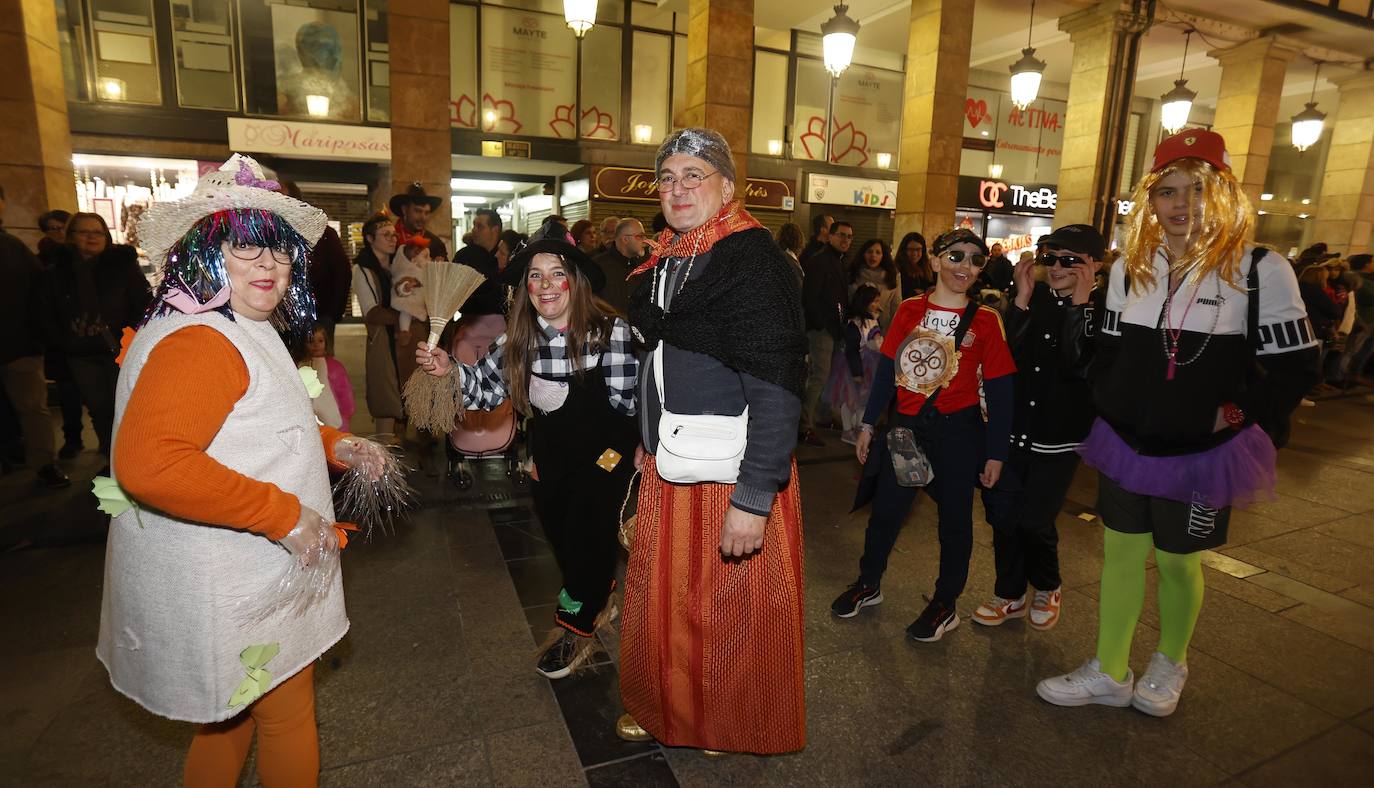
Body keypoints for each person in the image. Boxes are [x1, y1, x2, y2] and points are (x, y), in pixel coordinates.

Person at [99, 154, 388, 786]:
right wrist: (281, 515)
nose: (269, 266)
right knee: (283, 718)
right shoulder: (202, 340)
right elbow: (150, 465)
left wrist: (336, 445)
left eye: (279, 252)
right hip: (237, 580)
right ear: (204, 253)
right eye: (245, 248)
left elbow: (254, 424)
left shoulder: (222, 322)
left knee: (229, 718)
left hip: (234, 577)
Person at [1036, 130, 1317, 717]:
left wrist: (1238, 413)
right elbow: (1106, 356)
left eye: (1197, 188)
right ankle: (1110, 670)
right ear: (1151, 200)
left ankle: (1171, 661)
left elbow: (1295, 368)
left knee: (1176, 560)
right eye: (1167, 191)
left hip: (1203, 451)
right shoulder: (1130, 268)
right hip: (1125, 443)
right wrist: (1109, 393)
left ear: (1224, 193)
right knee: (1118, 553)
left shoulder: (1261, 269)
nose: (1181, 204)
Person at [616, 128, 807, 755]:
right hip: (673, 458)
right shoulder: (670, 255)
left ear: (728, 187)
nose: (677, 188)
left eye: (693, 175)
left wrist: (754, 500)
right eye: (667, 177)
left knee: (722, 612)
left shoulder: (750, 259)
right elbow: (658, 359)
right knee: (663, 600)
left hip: (731, 474)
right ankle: (666, 707)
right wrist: (647, 438)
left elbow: (778, 386)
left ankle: (722, 722)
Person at [416, 217, 638, 679]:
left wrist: (645, 447)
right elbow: (483, 390)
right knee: (562, 540)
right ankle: (605, 596)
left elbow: (642, 401)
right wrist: (448, 370)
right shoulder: (517, 341)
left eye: (557, 272)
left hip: (606, 464)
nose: (546, 284)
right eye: (535, 275)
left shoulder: (613, 334)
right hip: (550, 464)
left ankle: (576, 628)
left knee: (588, 542)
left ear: (574, 281)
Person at [832, 228, 1014, 643]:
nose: (964, 266)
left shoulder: (986, 321)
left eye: (974, 259)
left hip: (958, 433)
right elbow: (887, 371)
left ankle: (945, 603)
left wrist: (996, 452)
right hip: (906, 432)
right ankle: (868, 582)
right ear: (935, 262)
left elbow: (1002, 389)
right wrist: (866, 423)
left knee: (954, 521)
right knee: (887, 513)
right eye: (955, 257)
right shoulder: (910, 310)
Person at [972, 225, 1105, 631]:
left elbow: (1079, 365)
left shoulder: (1106, 309)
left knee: (1034, 519)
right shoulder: (1036, 298)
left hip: (1059, 436)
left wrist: (1080, 305)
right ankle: (1009, 594)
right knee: (1002, 515)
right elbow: (1004, 359)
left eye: (1071, 260)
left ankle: (1047, 585)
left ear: (1095, 265)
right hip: (1014, 429)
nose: (1058, 267)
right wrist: (1023, 302)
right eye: (1050, 258)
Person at [46, 212, 151, 458]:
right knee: (99, 408)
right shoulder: (57, 271)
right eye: (84, 232)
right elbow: (47, 310)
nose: (92, 237)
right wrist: (64, 340)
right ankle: (111, 457)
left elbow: (142, 303)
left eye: (97, 232)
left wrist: (131, 336)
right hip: (80, 352)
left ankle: (135, 457)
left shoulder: (121, 265)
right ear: (70, 236)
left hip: (121, 349)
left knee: (128, 406)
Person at [0, 186, 68, 488]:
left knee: (32, 408)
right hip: (21, 344)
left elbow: (39, 296)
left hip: (18, 346)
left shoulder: (12, 247)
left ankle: (44, 464)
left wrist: (38, 340)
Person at [800, 220, 853, 446]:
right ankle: (804, 425)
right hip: (822, 330)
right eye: (841, 235)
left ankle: (820, 417)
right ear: (830, 236)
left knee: (826, 376)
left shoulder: (838, 261)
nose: (845, 240)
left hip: (833, 329)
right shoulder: (820, 261)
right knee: (818, 376)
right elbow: (810, 297)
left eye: (849, 237)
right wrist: (821, 324)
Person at [351, 213, 404, 438]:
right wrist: (406, 315)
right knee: (386, 398)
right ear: (370, 239)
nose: (392, 239)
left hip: (401, 340)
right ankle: (385, 454)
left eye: (394, 235)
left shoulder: (398, 265)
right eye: (386, 235)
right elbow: (372, 313)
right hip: (382, 340)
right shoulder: (362, 269)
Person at [283, 183, 350, 341]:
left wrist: (331, 315)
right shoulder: (270, 234)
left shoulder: (323, 233)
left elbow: (343, 273)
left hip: (319, 317)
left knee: (319, 364)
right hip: (281, 318)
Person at [823, 285, 883, 445]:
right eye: (874, 301)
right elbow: (852, 350)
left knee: (864, 399)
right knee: (850, 400)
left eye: (878, 300)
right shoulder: (855, 324)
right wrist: (857, 372)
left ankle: (859, 428)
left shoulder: (873, 319)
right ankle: (848, 430)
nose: (877, 304)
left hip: (871, 365)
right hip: (854, 366)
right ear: (864, 302)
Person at [453, 208, 507, 317]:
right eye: (474, 225)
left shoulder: (506, 255)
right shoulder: (464, 256)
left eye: (480, 227)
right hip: (469, 320)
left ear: (495, 230)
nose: (474, 230)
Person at [593, 218, 647, 315]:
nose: (645, 240)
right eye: (640, 236)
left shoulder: (647, 265)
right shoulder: (598, 266)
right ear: (625, 239)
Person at [848, 238, 902, 333]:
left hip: (883, 327)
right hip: (857, 327)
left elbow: (896, 305)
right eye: (869, 252)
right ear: (863, 254)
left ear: (883, 256)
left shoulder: (892, 275)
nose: (873, 255)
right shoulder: (854, 273)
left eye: (878, 252)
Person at [308, 322, 354, 431]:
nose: (316, 345)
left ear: (326, 343)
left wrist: (346, 415)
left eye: (320, 341)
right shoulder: (298, 365)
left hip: (335, 420)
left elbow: (344, 392)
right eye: (311, 341)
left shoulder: (335, 367)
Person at [388, 182, 448, 261]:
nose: (423, 218)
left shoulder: (435, 244)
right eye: (418, 211)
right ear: (404, 210)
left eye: (426, 213)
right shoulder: (389, 241)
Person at [1338, 254, 1374, 386]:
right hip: (1361, 320)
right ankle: (1342, 376)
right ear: (1366, 264)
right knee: (1351, 349)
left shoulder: (1368, 279)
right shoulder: (1357, 279)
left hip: (1367, 321)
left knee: (1362, 350)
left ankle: (1353, 374)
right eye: (1373, 262)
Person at [895, 231, 935, 299]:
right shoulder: (898, 269)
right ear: (904, 250)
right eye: (910, 249)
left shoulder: (929, 268)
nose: (914, 253)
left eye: (918, 249)